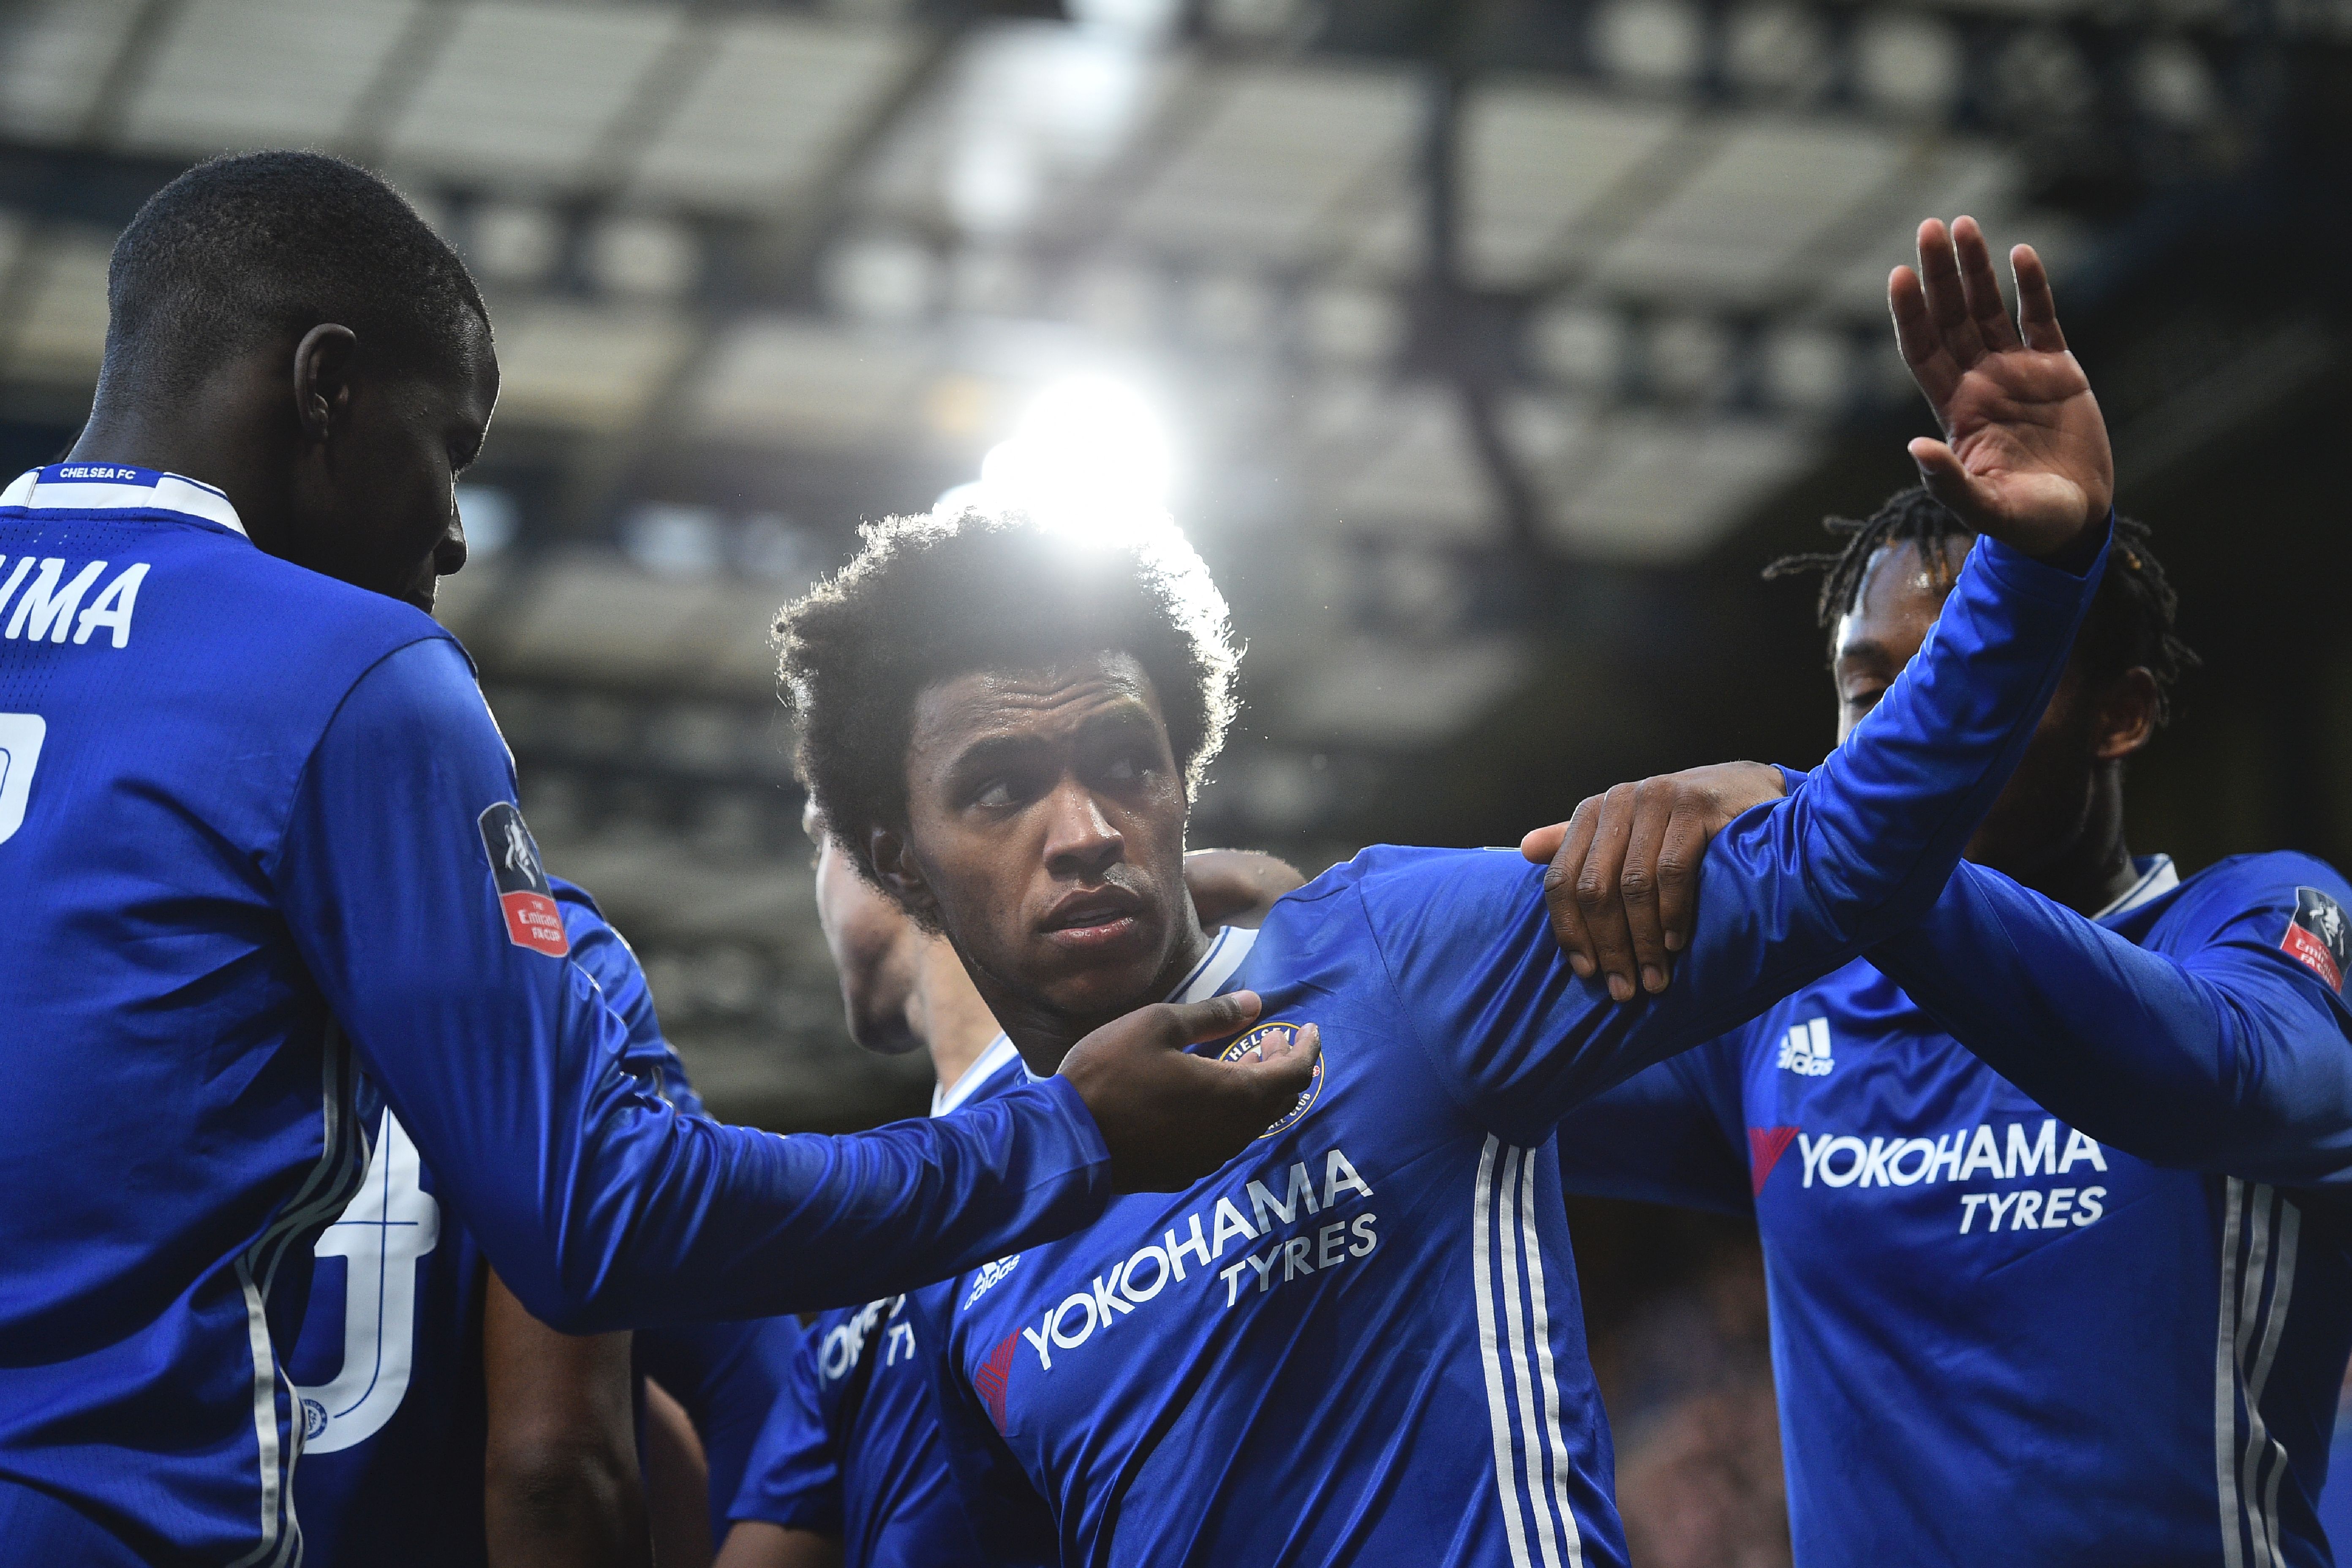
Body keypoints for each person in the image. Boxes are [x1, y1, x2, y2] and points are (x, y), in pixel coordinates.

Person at [0, 150, 1312, 1565]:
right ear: (326, 385)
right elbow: (587, 1223)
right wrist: (1067, 1136)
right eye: (447, 446)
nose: (449, 530)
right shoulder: (344, 672)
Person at [773, 215, 2117, 1566]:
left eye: (1123, 759)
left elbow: (1852, 857)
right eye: (1001, 790)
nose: (1082, 828)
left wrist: (2033, 575)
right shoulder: (973, 1220)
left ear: (1184, 773)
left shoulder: (1398, 954)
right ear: (900, 861)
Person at [1527, 483, 2352, 1563]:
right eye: (1876, 694)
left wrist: (1834, 837)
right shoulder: (1777, 1021)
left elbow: (2219, 1082)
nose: (1920, 745)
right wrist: (1275, 950)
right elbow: (1458, 1074)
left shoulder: (2244, 923)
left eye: (1978, 683)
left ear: (2123, 712)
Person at [713, 817, 1307, 1568]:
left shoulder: (1159, 1114)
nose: (816, 885)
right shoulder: (860, 1294)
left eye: (813, 841)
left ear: (883, 854)